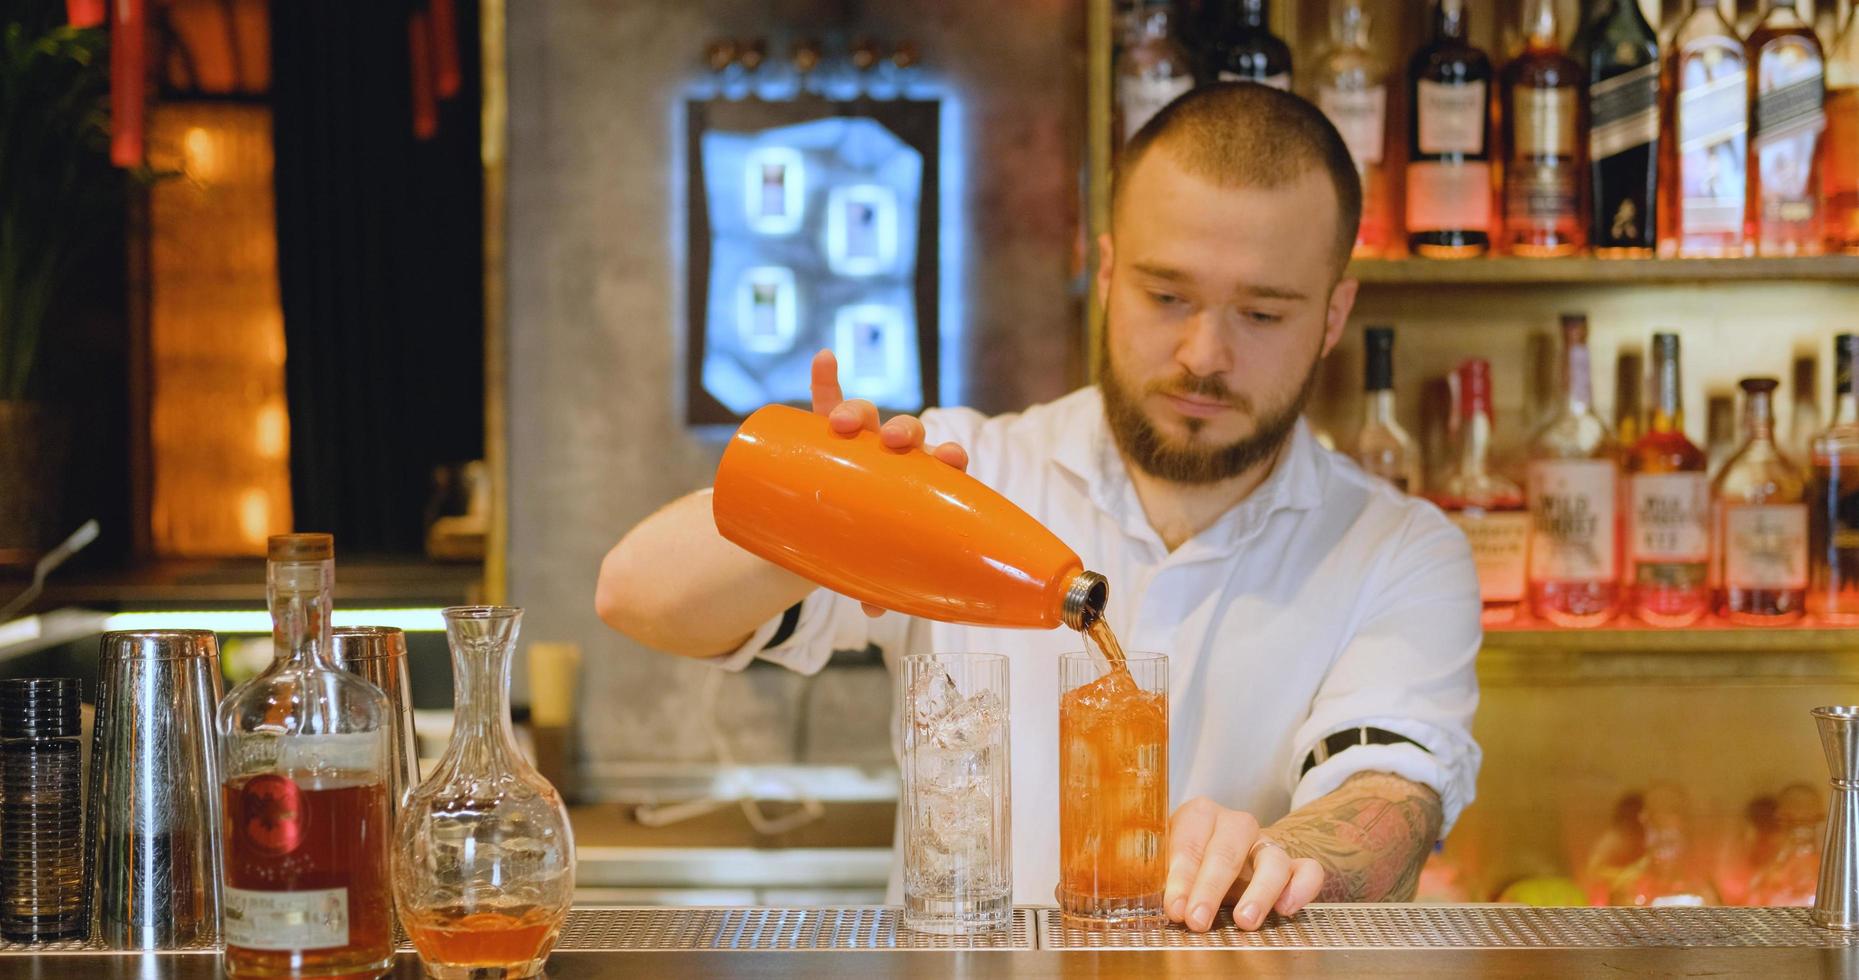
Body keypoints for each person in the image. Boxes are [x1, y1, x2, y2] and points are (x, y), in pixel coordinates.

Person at [597, 83, 1481, 932]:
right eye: (1166, 295)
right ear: (1103, 273)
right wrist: (827, 503)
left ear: (1333, 315)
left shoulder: (1397, 549)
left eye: (1261, 313)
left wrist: (1280, 857)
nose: (1203, 353)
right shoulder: (966, 470)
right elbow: (637, 597)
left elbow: (1390, 796)